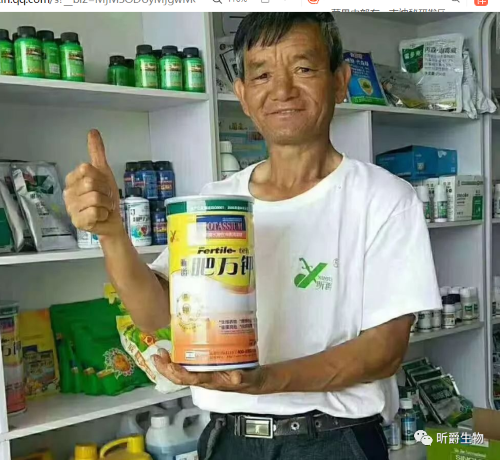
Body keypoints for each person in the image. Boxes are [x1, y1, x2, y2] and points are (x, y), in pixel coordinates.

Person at [64, 13, 441, 460]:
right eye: (262, 74)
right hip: (228, 439)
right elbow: (154, 314)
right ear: (243, 95)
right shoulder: (217, 201)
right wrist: (112, 234)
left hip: (333, 441)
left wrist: (265, 381)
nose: (282, 90)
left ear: (340, 82)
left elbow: (384, 351)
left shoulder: (384, 198)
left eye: (303, 68)